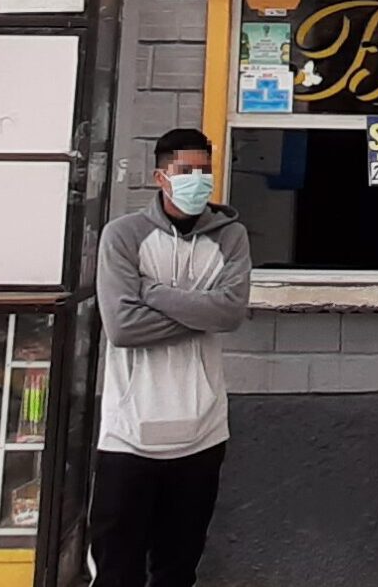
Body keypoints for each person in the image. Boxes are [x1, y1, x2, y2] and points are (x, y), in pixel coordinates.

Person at [91, 129, 251, 587]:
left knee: (177, 569)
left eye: (205, 171)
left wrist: (152, 293)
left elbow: (231, 312)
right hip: (128, 433)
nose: (198, 180)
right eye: (186, 171)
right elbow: (122, 328)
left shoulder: (230, 236)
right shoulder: (124, 236)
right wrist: (202, 310)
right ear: (161, 176)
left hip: (201, 432)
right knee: (116, 569)